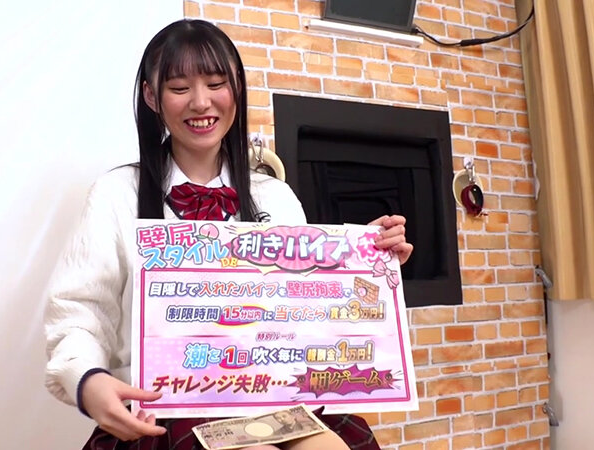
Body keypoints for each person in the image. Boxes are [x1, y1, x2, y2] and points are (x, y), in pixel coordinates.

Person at [44, 18, 413, 450]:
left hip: (274, 394)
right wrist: (88, 380)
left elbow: (308, 313)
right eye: (179, 87)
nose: (201, 102)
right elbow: (79, 312)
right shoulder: (117, 193)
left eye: (216, 83)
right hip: (169, 404)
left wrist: (361, 264)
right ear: (151, 96)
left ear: (236, 87)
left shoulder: (275, 196)